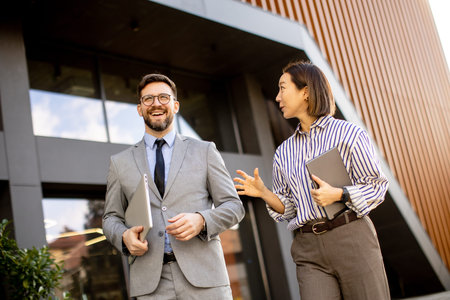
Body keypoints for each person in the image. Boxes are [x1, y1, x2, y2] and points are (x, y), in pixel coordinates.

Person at [234, 61, 390, 300]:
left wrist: (340, 194)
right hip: (308, 249)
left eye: (283, 88)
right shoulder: (283, 152)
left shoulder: (349, 134)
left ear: (305, 91)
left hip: (352, 237)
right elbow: (289, 208)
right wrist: (264, 192)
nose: (277, 97)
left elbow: (377, 186)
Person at [103, 73, 245, 299]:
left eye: (163, 97)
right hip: (151, 286)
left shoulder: (205, 151)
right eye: (148, 99)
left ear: (175, 105)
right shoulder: (120, 163)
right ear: (140, 109)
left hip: (206, 281)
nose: (156, 103)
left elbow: (234, 206)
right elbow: (110, 217)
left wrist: (202, 220)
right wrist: (123, 237)